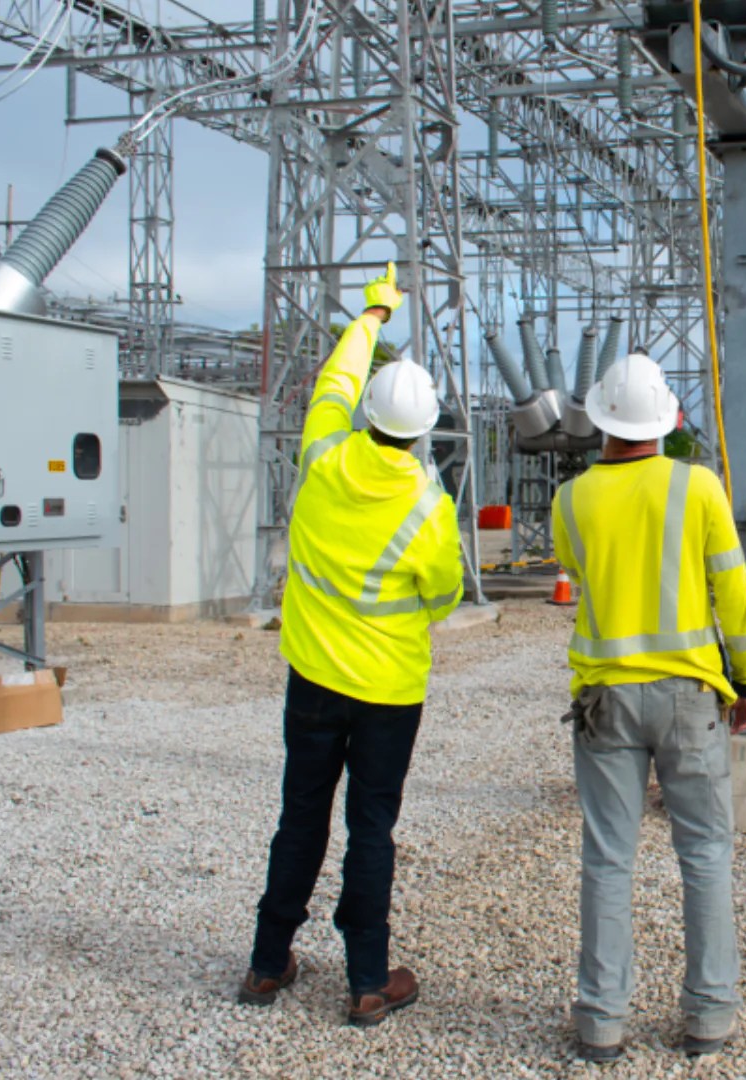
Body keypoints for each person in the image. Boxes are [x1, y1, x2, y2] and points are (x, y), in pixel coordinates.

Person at [238, 263, 464, 1027]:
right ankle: (368, 978)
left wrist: (372, 314)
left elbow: (334, 379)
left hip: (312, 679)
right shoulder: (428, 508)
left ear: (366, 412)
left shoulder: (323, 454)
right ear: (422, 431)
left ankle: (270, 963)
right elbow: (445, 596)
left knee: (299, 816)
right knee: (371, 827)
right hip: (388, 693)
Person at [551, 354, 746, 1061]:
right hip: (690, 696)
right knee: (704, 853)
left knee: (608, 858)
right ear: (668, 418)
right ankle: (708, 1015)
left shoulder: (571, 499)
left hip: (605, 700)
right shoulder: (698, 487)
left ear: (601, 417)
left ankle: (601, 1022)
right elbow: (733, 595)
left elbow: (579, 573)